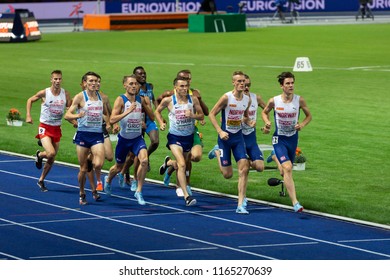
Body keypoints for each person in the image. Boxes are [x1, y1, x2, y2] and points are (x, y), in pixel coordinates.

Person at [261, 71, 312, 212]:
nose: (291, 86)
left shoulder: (299, 100)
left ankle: (274, 156)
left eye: (292, 83)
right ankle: (295, 203)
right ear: (281, 86)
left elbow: (309, 116)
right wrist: (267, 122)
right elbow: (264, 112)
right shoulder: (274, 101)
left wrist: (302, 124)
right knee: (288, 168)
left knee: (285, 172)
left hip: (292, 139)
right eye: (288, 83)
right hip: (279, 139)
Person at [207, 71, 255, 214]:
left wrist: (249, 121)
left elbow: (244, 117)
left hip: (238, 138)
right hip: (224, 139)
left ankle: (240, 204)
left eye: (243, 82)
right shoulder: (226, 98)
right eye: (239, 81)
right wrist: (220, 131)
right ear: (233, 83)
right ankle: (217, 151)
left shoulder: (247, 100)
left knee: (244, 168)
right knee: (227, 174)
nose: (242, 84)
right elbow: (211, 114)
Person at [158, 70, 209, 197]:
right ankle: (181, 187)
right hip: (175, 135)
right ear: (176, 85)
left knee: (192, 159)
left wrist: (194, 116)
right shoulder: (169, 98)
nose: (185, 87)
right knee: (182, 163)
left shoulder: (194, 96)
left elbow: (203, 113)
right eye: (182, 84)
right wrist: (161, 122)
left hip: (191, 133)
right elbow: (157, 108)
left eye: (187, 83)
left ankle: (170, 163)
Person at [103, 75, 151, 205]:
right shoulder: (121, 100)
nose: (134, 86)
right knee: (118, 167)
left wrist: (142, 123)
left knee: (144, 161)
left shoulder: (140, 99)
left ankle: (139, 191)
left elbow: (140, 116)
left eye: (135, 84)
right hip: (124, 139)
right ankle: (108, 180)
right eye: (131, 84)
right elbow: (112, 119)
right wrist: (128, 111)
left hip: (137, 139)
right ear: (125, 85)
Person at [26, 70, 74, 192]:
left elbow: (70, 108)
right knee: (51, 153)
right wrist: (28, 115)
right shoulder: (45, 93)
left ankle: (41, 179)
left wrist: (74, 121)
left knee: (52, 158)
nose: (57, 81)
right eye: (55, 79)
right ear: (51, 80)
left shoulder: (65, 94)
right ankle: (40, 155)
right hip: (45, 127)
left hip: (57, 127)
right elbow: (30, 100)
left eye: (59, 79)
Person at [64, 71, 107, 205]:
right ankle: (82, 192)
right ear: (85, 83)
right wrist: (77, 116)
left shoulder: (103, 98)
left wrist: (111, 123)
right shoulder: (79, 97)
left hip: (97, 134)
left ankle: (97, 178)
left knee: (99, 163)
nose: (94, 83)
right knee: (83, 169)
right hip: (83, 134)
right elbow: (67, 115)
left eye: (96, 81)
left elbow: (107, 114)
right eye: (91, 81)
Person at [119, 66, 158, 189]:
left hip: (148, 119)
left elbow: (154, 99)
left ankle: (145, 157)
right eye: (140, 74)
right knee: (132, 155)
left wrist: (157, 113)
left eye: (144, 73)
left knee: (155, 141)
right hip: (137, 119)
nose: (143, 76)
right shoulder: (133, 89)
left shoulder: (149, 86)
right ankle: (128, 174)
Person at [242, 74, 267, 172]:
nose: (247, 87)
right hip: (238, 137)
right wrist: (244, 120)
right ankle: (218, 150)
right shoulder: (232, 99)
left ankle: (249, 159)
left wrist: (266, 123)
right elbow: (223, 120)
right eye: (245, 85)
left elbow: (266, 110)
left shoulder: (256, 98)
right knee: (244, 168)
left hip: (251, 137)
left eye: (249, 85)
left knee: (260, 168)